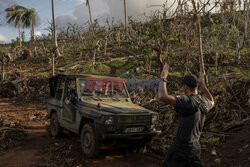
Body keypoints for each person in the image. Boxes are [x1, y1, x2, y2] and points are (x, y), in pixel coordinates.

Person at [158, 63, 215, 167]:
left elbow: (162, 96)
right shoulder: (204, 101)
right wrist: (203, 85)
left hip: (181, 148)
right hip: (195, 147)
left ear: (185, 87)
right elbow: (212, 101)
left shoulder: (187, 100)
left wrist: (163, 77)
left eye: (182, 87)